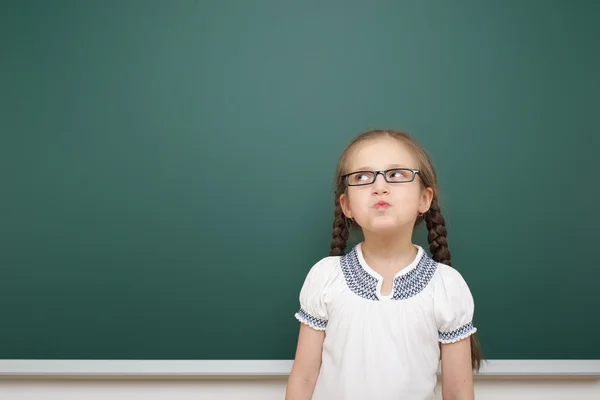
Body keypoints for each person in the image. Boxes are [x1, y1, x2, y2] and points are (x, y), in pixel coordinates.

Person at [285, 129, 483, 400]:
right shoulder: (325, 277)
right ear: (347, 206)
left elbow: (458, 393)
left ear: (425, 199)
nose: (380, 187)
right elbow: (304, 378)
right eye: (362, 177)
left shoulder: (446, 286)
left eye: (397, 174)